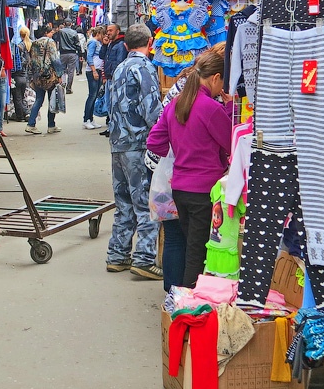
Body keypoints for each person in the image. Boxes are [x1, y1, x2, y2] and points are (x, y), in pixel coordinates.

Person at [147, 48, 234, 288]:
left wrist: (181, 148)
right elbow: (231, 143)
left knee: (189, 248)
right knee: (197, 257)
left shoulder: (177, 103)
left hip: (180, 189)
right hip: (204, 192)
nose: (223, 89)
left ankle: (180, 303)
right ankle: (186, 311)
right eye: (223, 82)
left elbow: (154, 141)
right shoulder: (210, 108)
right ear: (215, 77)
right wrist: (228, 108)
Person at [105, 23, 163, 279]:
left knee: (124, 201)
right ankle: (143, 258)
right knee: (146, 202)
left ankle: (117, 255)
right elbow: (152, 110)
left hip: (118, 142)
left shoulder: (119, 68)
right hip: (139, 143)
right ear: (149, 43)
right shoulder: (144, 67)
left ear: (126, 45)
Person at [25, 23, 63, 135]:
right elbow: (55, 59)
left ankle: (31, 124)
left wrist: (32, 75)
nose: (52, 34)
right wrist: (60, 74)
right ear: (47, 33)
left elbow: (31, 60)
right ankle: (51, 125)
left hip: (38, 76)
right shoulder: (50, 42)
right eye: (51, 32)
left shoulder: (34, 43)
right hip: (49, 76)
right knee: (52, 100)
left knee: (39, 100)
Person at [99, 24, 128, 137]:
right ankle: (111, 126)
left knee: (114, 104)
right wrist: (105, 45)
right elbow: (102, 56)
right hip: (109, 79)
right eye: (107, 31)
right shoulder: (110, 44)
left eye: (111, 30)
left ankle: (115, 128)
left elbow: (119, 62)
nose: (108, 33)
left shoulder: (120, 45)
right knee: (109, 104)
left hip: (114, 79)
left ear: (118, 31)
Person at [83, 26, 105, 130]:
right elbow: (89, 56)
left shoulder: (98, 43)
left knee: (94, 95)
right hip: (93, 71)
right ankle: (86, 119)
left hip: (97, 70)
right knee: (92, 95)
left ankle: (90, 119)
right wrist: (94, 70)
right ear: (99, 34)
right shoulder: (93, 42)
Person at [10, 26, 32, 121]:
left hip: (18, 74)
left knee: (17, 97)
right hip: (26, 74)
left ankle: (25, 113)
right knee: (22, 96)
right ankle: (22, 115)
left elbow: (16, 61)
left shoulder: (19, 46)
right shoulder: (31, 44)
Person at [54, 19, 82, 94]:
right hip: (72, 53)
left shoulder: (60, 32)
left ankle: (62, 84)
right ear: (71, 24)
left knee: (62, 70)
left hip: (63, 53)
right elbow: (78, 44)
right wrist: (80, 54)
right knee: (71, 71)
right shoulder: (74, 32)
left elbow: (57, 41)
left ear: (64, 23)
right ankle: (69, 88)